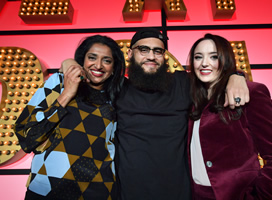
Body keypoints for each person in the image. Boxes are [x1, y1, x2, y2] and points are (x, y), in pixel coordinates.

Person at [60, 28, 249, 200]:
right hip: (128, 193)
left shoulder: (183, 83)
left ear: (164, 56)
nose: (151, 56)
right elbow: (91, 77)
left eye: (158, 51)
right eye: (144, 50)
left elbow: (214, 81)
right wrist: (69, 62)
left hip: (179, 193)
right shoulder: (117, 88)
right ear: (130, 54)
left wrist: (236, 77)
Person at [14, 35, 125, 199]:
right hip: (48, 188)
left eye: (107, 60)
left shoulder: (118, 96)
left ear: (114, 68)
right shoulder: (59, 82)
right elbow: (29, 137)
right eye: (92, 57)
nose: (98, 65)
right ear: (83, 60)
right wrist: (67, 93)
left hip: (99, 191)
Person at [187, 33, 272, 200]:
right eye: (198, 57)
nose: (204, 63)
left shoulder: (251, 93)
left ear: (226, 59)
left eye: (214, 57)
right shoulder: (191, 100)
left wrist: (259, 197)